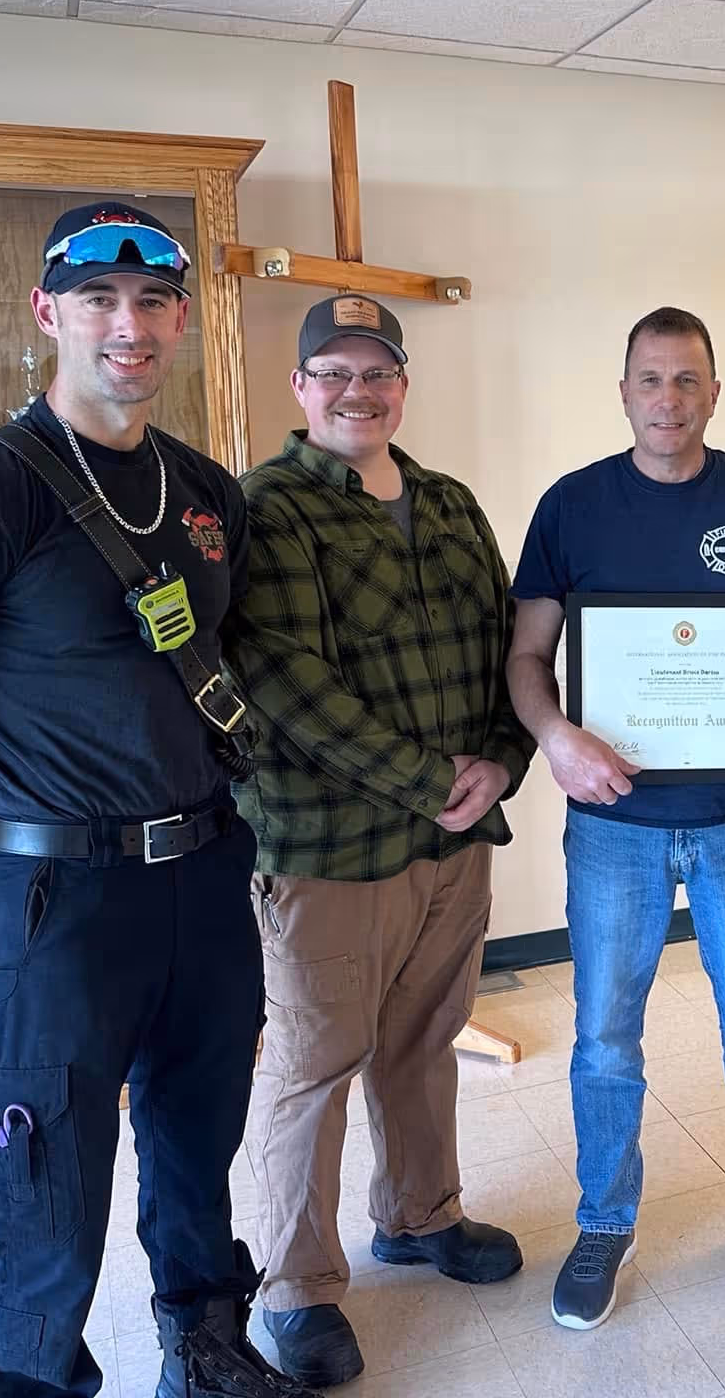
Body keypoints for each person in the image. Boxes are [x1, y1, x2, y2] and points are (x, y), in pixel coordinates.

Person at [0, 203, 313, 1398]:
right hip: (56, 902)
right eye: (98, 299)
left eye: (152, 302)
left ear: (181, 321)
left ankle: (206, 1352)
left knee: (197, 1149)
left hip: (201, 879)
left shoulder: (207, 495)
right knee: (38, 1187)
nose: (129, 325)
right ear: (48, 313)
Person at [506, 305, 725, 1330]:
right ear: (622, 392)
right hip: (614, 825)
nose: (668, 400)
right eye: (649, 380)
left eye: (686, 380)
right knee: (605, 1039)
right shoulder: (571, 508)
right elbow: (525, 659)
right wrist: (557, 737)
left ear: (712, 391)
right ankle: (604, 1221)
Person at [223, 295, 535, 1387]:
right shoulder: (264, 507)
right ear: (300, 388)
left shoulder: (449, 504)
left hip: (453, 840)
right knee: (314, 1063)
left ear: (401, 381)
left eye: (376, 370)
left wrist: (501, 757)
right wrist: (426, 779)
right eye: (331, 372)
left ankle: (418, 1215)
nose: (356, 391)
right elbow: (281, 680)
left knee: (424, 1037)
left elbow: (509, 644)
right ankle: (297, 1285)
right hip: (326, 845)